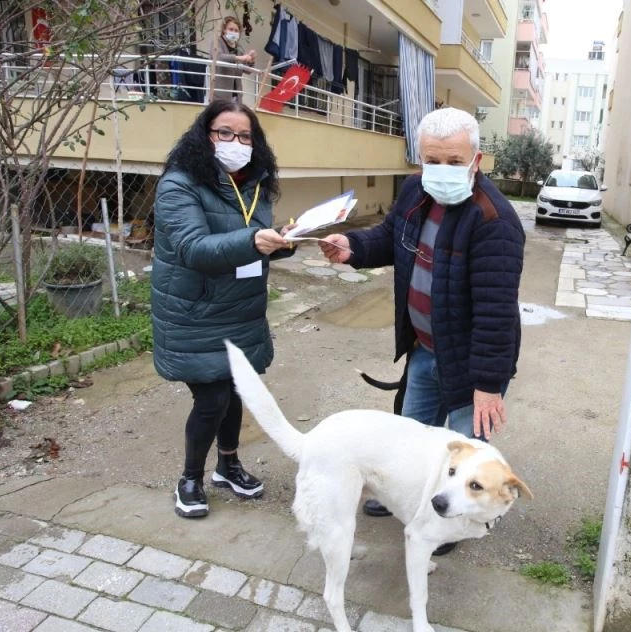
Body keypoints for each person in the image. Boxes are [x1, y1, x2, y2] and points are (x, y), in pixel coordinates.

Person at [319, 107, 525, 553]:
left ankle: (450, 522)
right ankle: (404, 497)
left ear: (477, 160)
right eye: (433, 159)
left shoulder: (495, 221)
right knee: (410, 439)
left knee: (466, 454)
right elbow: (391, 237)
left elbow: (495, 311)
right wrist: (352, 247)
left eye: (455, 161)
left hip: (473, 363)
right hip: (426, 348)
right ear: (420, 159)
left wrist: (488, 385)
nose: (442, 170)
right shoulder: (415, 191)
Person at [151, 100, 295, 518]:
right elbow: (193, 248)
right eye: (225, 132)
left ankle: (228, 465)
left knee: (236, 390)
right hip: (196, 311)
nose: (237, 142)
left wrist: (283, 240)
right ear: (205, 135)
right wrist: (254, 241)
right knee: (212, 397)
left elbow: (255, 243)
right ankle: (190, 478)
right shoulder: (179, 184)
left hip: (241, 311)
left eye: (246, 135)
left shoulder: (255, 184)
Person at [212, 15, 255, 103]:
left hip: (236, 95)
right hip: (219, 95)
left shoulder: (239, 48)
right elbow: (218, 57)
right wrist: (239, 58)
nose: (233, 32)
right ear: (224, 30)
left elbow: (248, 70)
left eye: (236, 30)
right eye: (231, 29)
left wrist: (251, 61)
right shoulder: (217, 42)